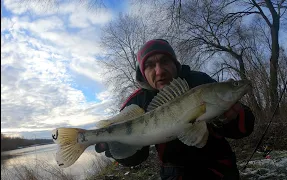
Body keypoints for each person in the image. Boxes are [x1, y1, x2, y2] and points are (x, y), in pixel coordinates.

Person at [95, 39, 255, 180]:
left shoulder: (200, 83)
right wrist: (115, 146)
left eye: (164, 61)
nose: (159, 71)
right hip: (174, 174)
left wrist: (233, 117)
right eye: (150, 65)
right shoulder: (137, 102)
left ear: (175, 64)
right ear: (143, 73)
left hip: (219, 169)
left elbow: (244, 129)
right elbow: (136, 158)